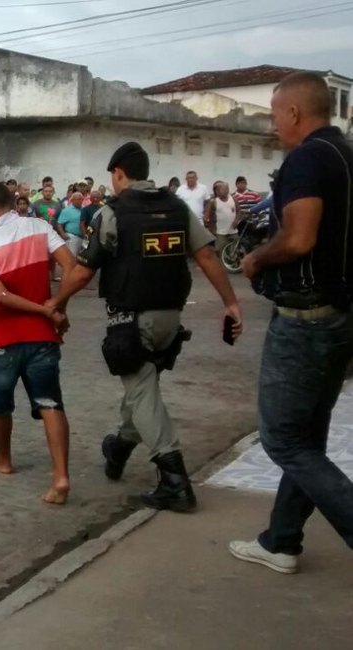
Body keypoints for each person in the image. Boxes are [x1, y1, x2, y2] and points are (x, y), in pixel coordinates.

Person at [50, 142, 243, 512]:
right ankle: (120, 446)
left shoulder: (112, 213)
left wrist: (57, 303)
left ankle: (174, 480)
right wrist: (231, 303)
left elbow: (84, 271)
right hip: (171, 318)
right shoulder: (177, 207)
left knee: (142, 393)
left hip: (131, 319)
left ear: (119, 173)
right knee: (143, 388)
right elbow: (206, 256)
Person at [231, 72, 353, 573]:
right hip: (340, 315)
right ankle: (281, 540)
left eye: (275, 114)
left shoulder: (307, 158)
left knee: (283, 439)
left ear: (295, 113)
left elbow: (299, 239)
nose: (273, 125)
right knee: (308, 434)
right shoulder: (346, 155)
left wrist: (257, 257)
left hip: (306, 320)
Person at [0, 183, 77, 505]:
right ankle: (61, 477)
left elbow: (0, 295)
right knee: (50, 404)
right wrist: (57, 306)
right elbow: (71, 266)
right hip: (42, 336)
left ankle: (3, 458)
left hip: (2, 337)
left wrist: (48, 310)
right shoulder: (40, 227)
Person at [204, 181, 237, 252]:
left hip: (233, 231)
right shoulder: (213, 201)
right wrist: (212, 229)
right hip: (220, 232)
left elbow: (239, 211)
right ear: (217, 191)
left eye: (227, 189)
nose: (226, 191)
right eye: (223, 189)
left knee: (234, 251)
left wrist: (236, 220)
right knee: (220, 251)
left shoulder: (233, 199)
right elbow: (207, 217)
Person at [56, 192, 85, 256]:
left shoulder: (85, 209)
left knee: (81, 258)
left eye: (80, 199)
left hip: (83, 238)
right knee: (72, 257)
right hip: (72, 237)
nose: (78, 201)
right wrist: (63, 234)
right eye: (76, 199)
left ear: (82, 200)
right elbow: (59, 223)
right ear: (72, 200)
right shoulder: (66, 210)